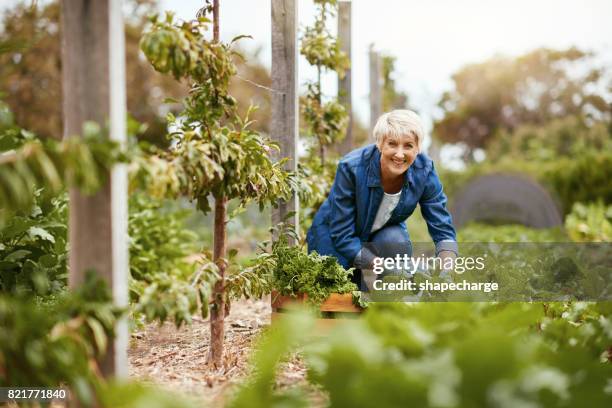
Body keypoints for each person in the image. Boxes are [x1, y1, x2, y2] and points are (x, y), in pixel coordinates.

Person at [306, 109, 457, 288]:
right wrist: (387, 268)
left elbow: (442, 228)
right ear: (379, 144)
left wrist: (447, 270)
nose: (400, 154)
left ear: (418, 148)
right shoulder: (351, 167)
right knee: (337, 293)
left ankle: (382, 304)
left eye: (408, 146)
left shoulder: (424, 170)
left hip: (381, 234)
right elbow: (342, 234)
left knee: (395, 242)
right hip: (335, 236)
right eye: (392, 144)